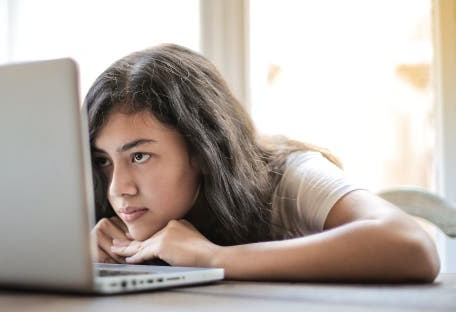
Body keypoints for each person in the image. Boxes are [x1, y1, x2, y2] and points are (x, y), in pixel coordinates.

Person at [84, 44, 440, 282]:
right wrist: (80, 260)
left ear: (205, 149)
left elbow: (411, 245)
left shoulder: (290, 176)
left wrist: (212, 258)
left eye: (140, 156)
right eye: (103, 160)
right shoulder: (113, 212)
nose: (118, 188)